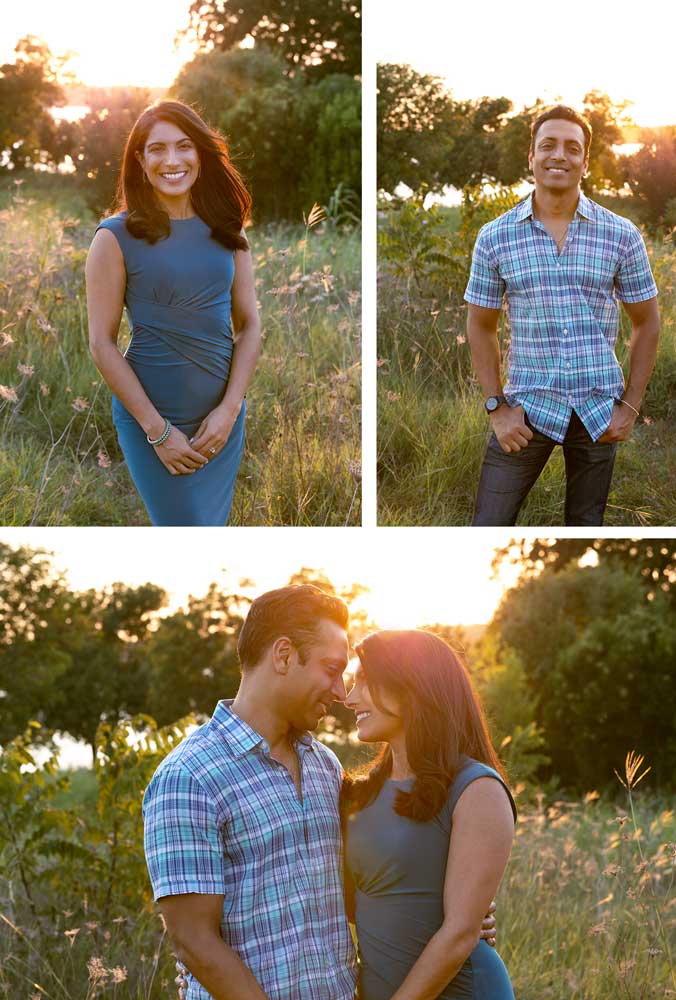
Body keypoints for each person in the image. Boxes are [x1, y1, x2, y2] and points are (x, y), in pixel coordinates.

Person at [143, 585, 498, 1000]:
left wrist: (458, 915)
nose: (340, 692)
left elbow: (353, 893)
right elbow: (194, 941)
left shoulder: (324, 766)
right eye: (331, 669)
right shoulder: (188, 778)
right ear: (283, 655)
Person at [465, 104, 660, 526]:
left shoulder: (621, 234)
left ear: (585, 163)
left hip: (598, 412)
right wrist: (497, 408)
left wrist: (630, 406)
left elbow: (647, 322)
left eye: (572, 148)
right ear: (531, 157)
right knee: (488, 525)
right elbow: (480, 327)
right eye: (548, 145)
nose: (559, 155)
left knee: (585, 527)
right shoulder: (495, 237)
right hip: (526, 410)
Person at [86, 100, 260, 526]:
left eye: (184, 146)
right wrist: (157, 431)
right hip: (153, 420)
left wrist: (229, 410)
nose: (172, 160)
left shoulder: (227, 227)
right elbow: (101, 343)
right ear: (140, 160)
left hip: (221, 421)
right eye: (158, 149)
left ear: (200, 153)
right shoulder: (114, 237)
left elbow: (250, 325)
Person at [342, 630, 516, 1000]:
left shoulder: (477, 789)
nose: (349, 697)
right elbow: (359, 905)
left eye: (364, 681)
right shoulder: (359, 794)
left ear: (411, 686)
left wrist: (469, 919)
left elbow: (459, 935)